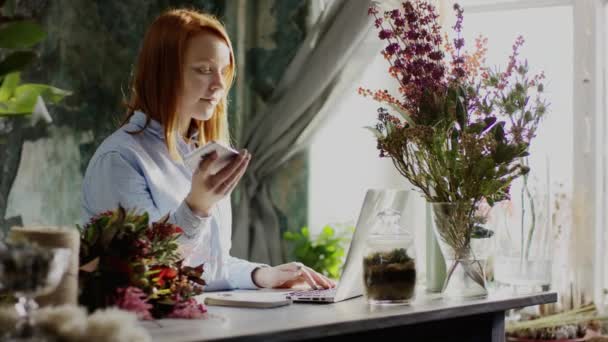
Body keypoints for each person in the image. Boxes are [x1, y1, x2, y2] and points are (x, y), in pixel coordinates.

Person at [81, 8, 334, 291]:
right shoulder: (120, 159)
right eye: (204, 70)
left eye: (223, 71)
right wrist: (196, 207)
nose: (219, 85)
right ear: (163, 73)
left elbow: (207, 267)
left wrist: (262, 275)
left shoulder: (202, 153)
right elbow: (144, 271)